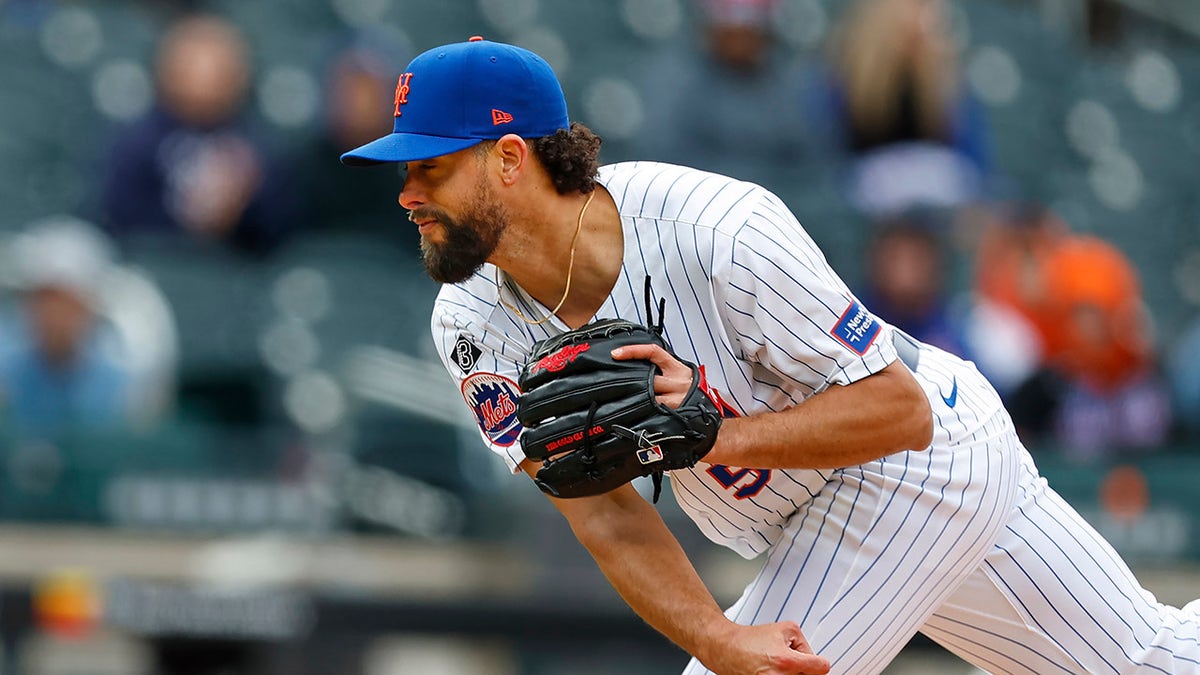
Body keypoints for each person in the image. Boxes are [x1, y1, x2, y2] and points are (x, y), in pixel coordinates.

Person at [341, 37, 1200, 675]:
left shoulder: (718, 230)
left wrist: (714, 436)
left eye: (431, 166)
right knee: (1148, 663)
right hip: (814, 511)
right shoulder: (470, 322)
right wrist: (717, 634)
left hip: (915, 463)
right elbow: (602, 510)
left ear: (508, 159)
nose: (408, 192)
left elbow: (897, 412)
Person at [99, 13, 298, 256]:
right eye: (193, 64)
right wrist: (192, 218)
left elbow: (284, 227)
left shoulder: (259, 146)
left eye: (217, 66)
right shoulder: (136, 144)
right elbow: (118, 220)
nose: (204, 78)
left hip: (240, 274)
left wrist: (240, 209)